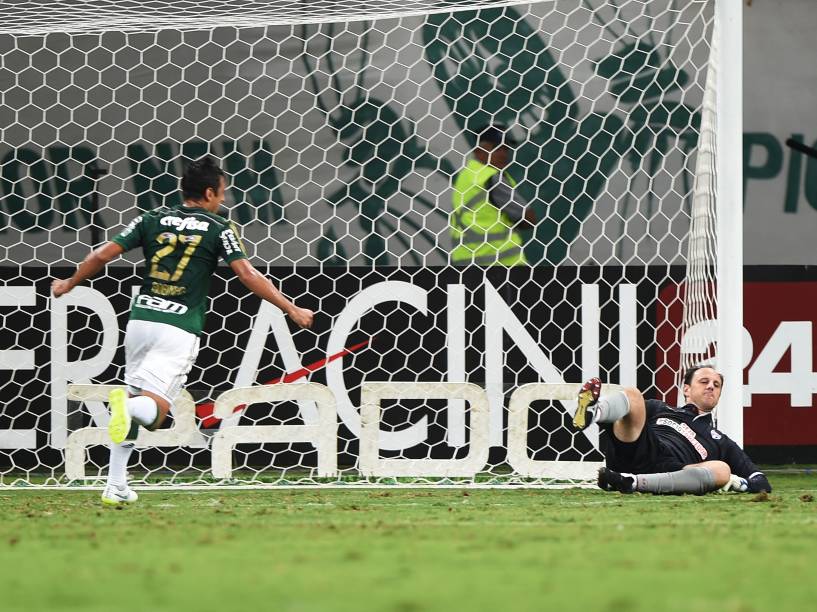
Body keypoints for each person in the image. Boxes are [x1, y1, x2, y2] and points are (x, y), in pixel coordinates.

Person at [52, 157, 314, 506]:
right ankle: (127, 420)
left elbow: (102, 255)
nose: (223, 200)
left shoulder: (151, 218)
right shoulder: (219, 227)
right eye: (222, 193)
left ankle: (115, 485)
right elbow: (248, 275)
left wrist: (70, 281)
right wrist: (291, 308)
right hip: (178, 328)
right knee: (156, 413)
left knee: (132, 407)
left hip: (141, 321)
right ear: (209, 193)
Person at [571, 365, 772, 495]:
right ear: (686, 389)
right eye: (704, 382)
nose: (711, 386)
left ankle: (629, 483)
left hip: (672, 471)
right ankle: (593, 412)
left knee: (722, 469)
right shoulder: (661, 409)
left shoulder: (721, 440)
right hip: (639, 449)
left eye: (716, 385)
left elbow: (761, 482)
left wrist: (737, 482)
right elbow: (625, 416)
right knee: (633, 395)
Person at [450, 125, 536, 266]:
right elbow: (528, 219)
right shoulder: (490, 177)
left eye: (506, 148)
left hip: (465, 262)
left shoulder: (466, 175)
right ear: (479, 151)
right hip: (500, 264)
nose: (503, 154)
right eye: (497, 148)